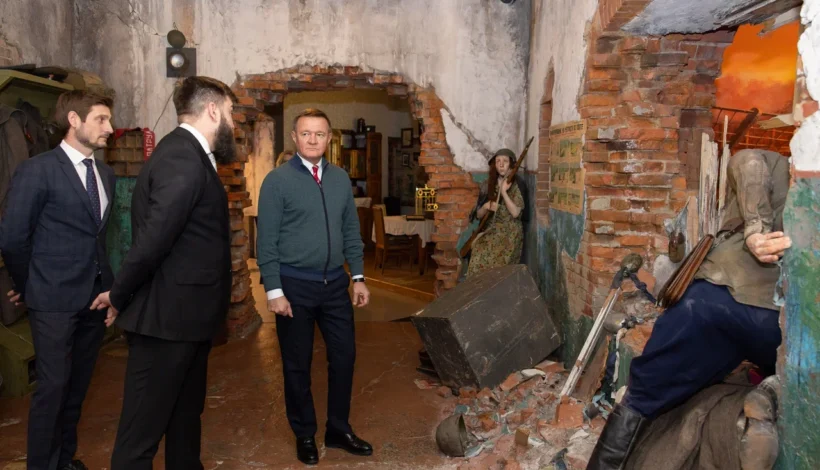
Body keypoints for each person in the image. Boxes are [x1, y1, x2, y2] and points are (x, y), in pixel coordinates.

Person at [588, 149, 792, 470]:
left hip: (709, 301)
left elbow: (749, 161)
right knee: (786, 377)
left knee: (643, 396)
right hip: (776, 320)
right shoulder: (800, 185)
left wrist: (755, 229)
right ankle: (770, 393)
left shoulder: (776, 163)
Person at [90, 76, 236, 469]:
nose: (233, 123)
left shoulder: (189, 153)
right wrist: (119, 294)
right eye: (231, 113)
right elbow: (155, 239)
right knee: (141, 436)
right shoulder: (180, 158)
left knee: (185, 419)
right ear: (212, 110)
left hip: (186, 320)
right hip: (166, 322)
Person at [0, 90, 116, 470]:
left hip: (93, 301)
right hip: (51, 302)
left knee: (76, 388)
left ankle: (64, 460)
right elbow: (13, 238)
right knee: (52, 390)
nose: (110, 128)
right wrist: (29, 286)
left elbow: (99, 240)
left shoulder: (105, 174)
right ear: (73, 120)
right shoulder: (38, 170)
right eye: (101, 119)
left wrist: (109, 291)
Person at [257, 108, 372, 466]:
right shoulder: (277, 181)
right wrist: (274, 291)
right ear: (295, 137)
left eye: (319, 134)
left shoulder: (339, 179)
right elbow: (266, 240)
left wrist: (358, 277)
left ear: (329, 138)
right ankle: (304, 433)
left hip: (335, 285)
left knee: (344, 357)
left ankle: (338, 429)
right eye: (305, 133)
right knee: (297, 364)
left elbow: (350, 230)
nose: (312, 139)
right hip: (294, 287)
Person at [465, 148, 525, 278]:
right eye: (498, 161)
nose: (501, 165)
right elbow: (478, 215)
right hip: (492, 231)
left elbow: (515, 213)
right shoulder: (488, 185)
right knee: (478, 252)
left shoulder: (518, 184)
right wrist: (486, 206)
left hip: (510, 233)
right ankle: (479, 289)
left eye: (505, 161)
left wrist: (504, 192)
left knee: (497, 267)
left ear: (511, 164)